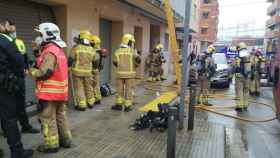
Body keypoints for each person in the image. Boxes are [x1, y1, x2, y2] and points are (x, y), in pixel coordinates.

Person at [29, 22, 72, 153]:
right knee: (60, 116)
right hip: (60, 93)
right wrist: (37, 53)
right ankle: (66, 140)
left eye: (39, 35)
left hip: (48, 94)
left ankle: (51, 145)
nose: (37, 38)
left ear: (47, 35)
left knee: (48, 119)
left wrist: (31, 71)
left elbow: (45, 72)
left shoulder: (49, 51)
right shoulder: (58, 50)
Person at [0, 22, 33, 158]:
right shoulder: (4, 40)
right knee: (9, 119)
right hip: (5, 85)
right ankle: (17, 152)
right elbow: (18, 60)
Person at [112, 33, 141, 111]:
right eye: (131, 42)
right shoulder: (132, 51)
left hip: (120, 74)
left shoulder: (117, 51)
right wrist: (136, 65)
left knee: (119, 90)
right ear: (128, 41)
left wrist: (121, 67)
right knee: (129, 90)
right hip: (130, 75)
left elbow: (114, 62)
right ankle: (127, 106)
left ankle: (118, 105)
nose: (132, 43)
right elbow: (138, 60)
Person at [69, 30, 97, 111]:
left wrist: (69, 67)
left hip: (78, 72)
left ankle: (82, 105)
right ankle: (91, 103)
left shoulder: (76, 48)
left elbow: (70, 59)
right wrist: (94, 68)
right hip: (88, 72)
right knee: (89, 87)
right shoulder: (92, 49)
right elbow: (96, 61)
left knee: (79, 88)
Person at [234, 42, 251, 112]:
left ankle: (239, 106)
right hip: (247, 76)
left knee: (239, 91)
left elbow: (235, 66)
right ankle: (245, 106)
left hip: (239, 76)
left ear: (239, 48)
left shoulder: (238, 56)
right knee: (246, 91)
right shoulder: (248, 55)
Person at [90, 35, 105, 105]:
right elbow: (102, 62)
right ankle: (98, 98)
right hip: (97, 70)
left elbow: (95, 61)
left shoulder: (94, 51)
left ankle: (93, 99)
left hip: (93, 70)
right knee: (96, 85)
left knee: (91, 85)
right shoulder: (100, 50)